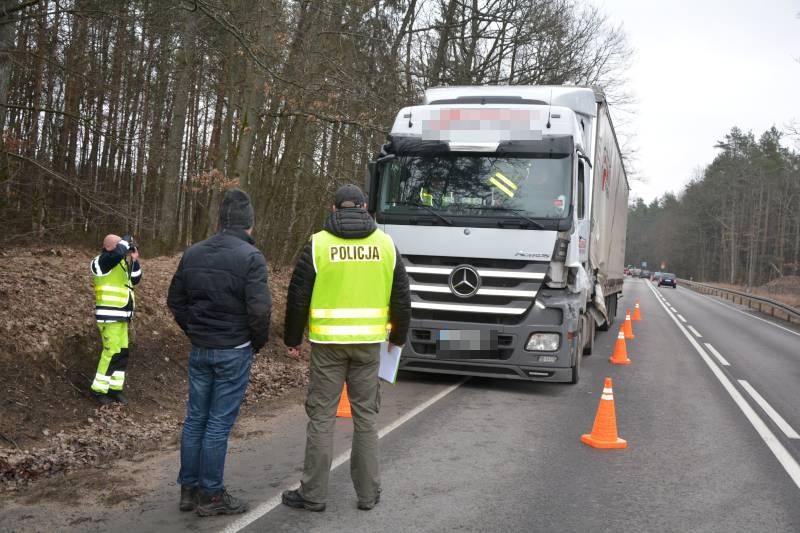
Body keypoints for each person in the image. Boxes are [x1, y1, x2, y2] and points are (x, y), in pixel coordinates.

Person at [282, 184, 411, 512]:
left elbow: (298, 295)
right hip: (369, 345)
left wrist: (293, 340)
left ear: (334, 208)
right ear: (366, 208)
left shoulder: (318, 244)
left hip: (327, 346)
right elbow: (401, 297)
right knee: (365, 416)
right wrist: (398, 338)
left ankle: (313, 494)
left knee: (322, 417)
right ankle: (368, 495)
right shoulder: (386, 244)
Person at [167, 188, 272, 517]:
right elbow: (260, 312)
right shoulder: (251, 258)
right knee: (216, 424)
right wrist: (255, 342)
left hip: (202, 349)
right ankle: (210, 495)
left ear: (221, 221)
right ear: (249, 224)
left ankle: (189, 489)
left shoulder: (193, 253)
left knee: (196, 418)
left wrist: (194, 330)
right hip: (232, 350)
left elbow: (176, 300)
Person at [90, 233, 142, 406]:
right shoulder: (100, 262)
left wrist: (134, 260)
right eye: (119, 244)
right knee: (111, 352)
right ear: (109, 246)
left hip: (122, 316)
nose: (124, 247)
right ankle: (98, 390)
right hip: (109, 316)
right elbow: (117, 254)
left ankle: (114, 389)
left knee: (122, 353)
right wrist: (124, 243)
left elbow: (135, 280)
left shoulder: (120, 262)